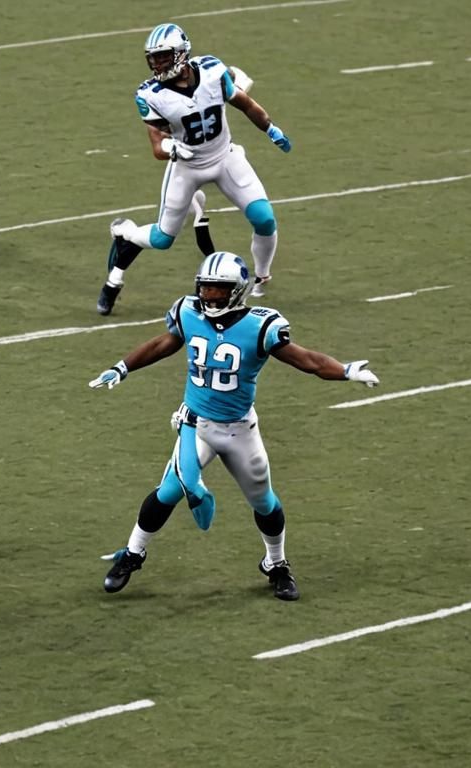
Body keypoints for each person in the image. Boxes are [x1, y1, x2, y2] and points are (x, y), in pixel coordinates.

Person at [88, 252, 378, 599]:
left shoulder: (260, 326)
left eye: (217, 289)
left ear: (237, 291)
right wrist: (122, 367)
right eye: (205, 287)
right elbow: (162, 344)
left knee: (264, 502)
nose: (208, 295)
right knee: (169, 491)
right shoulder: (188, 311)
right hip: (197, 424)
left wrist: (345, 371)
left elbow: (308, 361)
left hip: (240, 429)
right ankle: (133, 554)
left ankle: (276, 563)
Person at [97, 23, 290, 317]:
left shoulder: (212, 71)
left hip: (224, 157)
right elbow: (157, 145)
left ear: (181, 53)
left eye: (163, 56)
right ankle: (127, 233)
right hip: (187, 166)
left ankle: (262, 277)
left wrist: (271, 128)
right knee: (162, 239)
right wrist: (171, 148)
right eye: (153, 58)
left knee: (264, 218)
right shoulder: (151, 94)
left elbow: (245, 103)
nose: (157, 64)